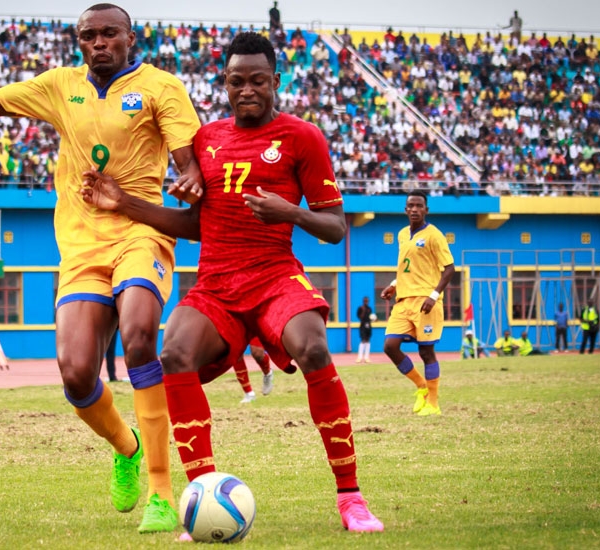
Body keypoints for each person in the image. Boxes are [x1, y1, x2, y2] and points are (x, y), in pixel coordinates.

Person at [0, 3, 202, 533]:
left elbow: (189, 162)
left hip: (140, 232)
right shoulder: (60, 85)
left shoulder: (162, 87)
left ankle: (161, 492)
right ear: (79, 41)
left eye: (109, 33)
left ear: (131, 38)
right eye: (89, 35)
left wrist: (192, 178)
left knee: (139, 337)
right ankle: (127, 447)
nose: (99, 43)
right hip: (81, 247)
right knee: (76, 372)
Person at [81, 31, 383, 533]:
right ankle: (201, 498)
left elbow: (335, 227)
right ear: (224, 83)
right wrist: (125, 203)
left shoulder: (303, 137)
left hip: (275, 275)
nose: (247, 90)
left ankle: (351, 498)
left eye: (258, 80)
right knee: (173, 354)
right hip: (217, 283)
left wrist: (290, 212)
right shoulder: (206, 140)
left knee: (313, 348)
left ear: (276, 81)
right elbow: (197, 224)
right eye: (237, 81)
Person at [380, 191, 455, 417]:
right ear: (405, 210)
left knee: (426, 351)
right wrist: (394, 284)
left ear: (426, 210)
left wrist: (434, 295)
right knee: (390, 346)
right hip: (403, 300)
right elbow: (408, 267)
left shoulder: (434, 236)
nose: (414, 209)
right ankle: (421, 386)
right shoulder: (402, 234)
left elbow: (449, 269)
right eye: (410, 206)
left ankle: (433, 403)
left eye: (419, 206)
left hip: (425, 300)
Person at [356, 297, 372, 363]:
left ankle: (366, 357)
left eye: (367, 301)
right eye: (365, 301)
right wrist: (363, 311)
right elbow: (359, 317)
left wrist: (373, 318)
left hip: (369, 326)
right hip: (362, 326)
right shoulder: (360, 308)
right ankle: (359, 357)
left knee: (368, 340)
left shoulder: (369, 309)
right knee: (363, 340)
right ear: (363, 301)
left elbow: (370, 317)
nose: (366, 302)